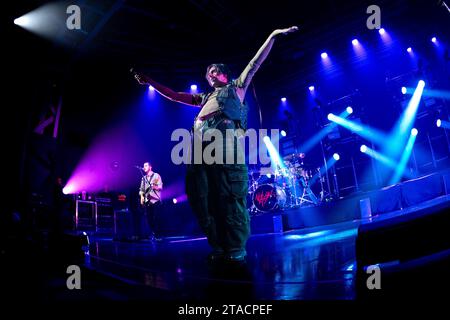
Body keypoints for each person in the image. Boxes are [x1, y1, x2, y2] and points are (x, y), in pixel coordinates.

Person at [134, 26, 298, 261]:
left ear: (223, 74)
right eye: (207, 73)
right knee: (201, 194)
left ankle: (234, 248)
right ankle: (219, 244)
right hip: (201, 151)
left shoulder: (235, 88)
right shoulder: (204, 98)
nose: (209, 74)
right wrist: (149, 81)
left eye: (213, 71)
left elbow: (254, 65)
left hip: (225, 147)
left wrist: (272, 35)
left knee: (228, 195)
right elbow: (174, 95)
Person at [138, 162, 163, 241]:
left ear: (150, 167)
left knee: (156, 218)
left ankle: (157, 235)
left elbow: (160, 187)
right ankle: (152, 234)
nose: (144, 167)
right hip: (147, 201)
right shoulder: (144, 178)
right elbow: (141, 189)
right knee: (149, 219)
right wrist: (142, 196)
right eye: (143, 166)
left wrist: (154, 186)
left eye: (146, 165)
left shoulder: (156, 176)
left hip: (155, 200)